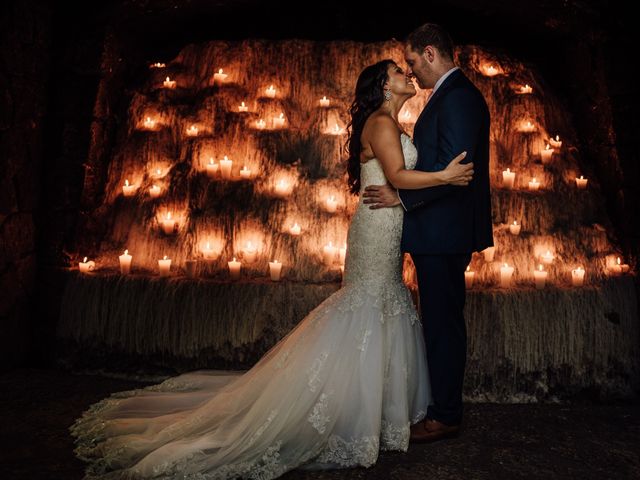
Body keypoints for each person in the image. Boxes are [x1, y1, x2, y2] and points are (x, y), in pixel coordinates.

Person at [69, 59, 472, 480]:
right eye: (396, 71)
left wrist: (410, 190)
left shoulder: (389, 122)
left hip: (387, 226)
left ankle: (370, 410)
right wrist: (444, 176)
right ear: (383, 86)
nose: (406, 74)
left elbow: (394, 182)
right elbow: (398, 176)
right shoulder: (382, 124)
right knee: (368, 306)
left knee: (383, 304)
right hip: (375, 230)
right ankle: (351, 414)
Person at [363, 23, 493, 443]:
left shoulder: (458, 99)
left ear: (432, 53)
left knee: (442, 323)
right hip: (436, 231)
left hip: (444, 233)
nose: (412, 70)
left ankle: (445, 416)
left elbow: (455, 172)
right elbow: (441, 168)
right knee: (438, 320)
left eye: (414, 61)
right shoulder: (448, 97)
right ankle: (437, 407)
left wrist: (400, 197)